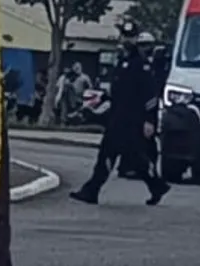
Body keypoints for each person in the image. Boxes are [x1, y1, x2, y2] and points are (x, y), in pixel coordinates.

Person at [70, 22, 171, 205]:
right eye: (125, 36)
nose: (127, 40)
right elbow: (118, 90)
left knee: (132, 158)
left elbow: (150, 95)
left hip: (133, 120)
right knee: (114, 155)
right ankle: (93, 191)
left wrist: (149, 121)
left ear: (136, 39)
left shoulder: (141, 65)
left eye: (131, 37)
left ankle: (155, 185)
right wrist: (100, 102)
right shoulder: (122, 62)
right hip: (117, 117)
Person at [118, 33, 159, 179]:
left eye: (147, 45)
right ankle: (127, 167)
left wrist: (150, 117)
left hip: (150, 108)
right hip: (132, 109)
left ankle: (150, 170)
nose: (144, 48)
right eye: (142, 45)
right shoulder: (132, 61)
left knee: (147, 141)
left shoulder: (157, 63)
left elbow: (153, 90)